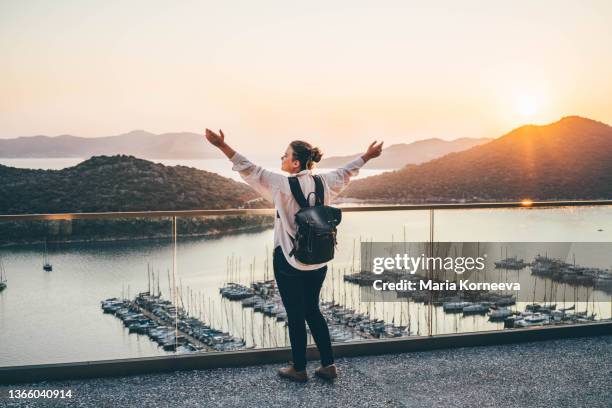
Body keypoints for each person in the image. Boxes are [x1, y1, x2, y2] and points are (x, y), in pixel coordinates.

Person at [204, 128, 383, 382]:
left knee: (295, 314)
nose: (281, 159)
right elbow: (347, 171)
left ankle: (298, 368)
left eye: (285, 156)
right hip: (319, 260)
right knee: (313, 310)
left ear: (296, 162)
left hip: (289, 260)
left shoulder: (281, 184)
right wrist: (367, 155)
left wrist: (222, 145)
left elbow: (248, 168)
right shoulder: (325, 182)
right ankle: (328, 365)